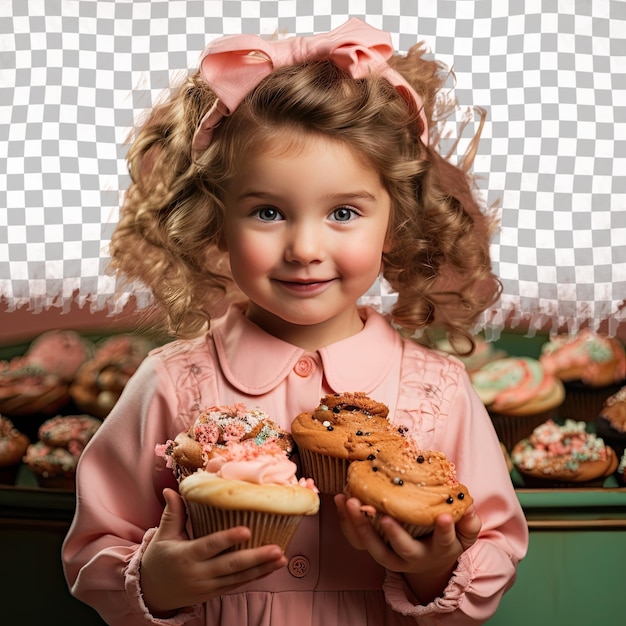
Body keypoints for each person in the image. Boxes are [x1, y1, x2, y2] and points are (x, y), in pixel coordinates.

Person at [62, 17, 528, 626]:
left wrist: (432, 566)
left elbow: (495, 546)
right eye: (268, 212)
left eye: (342, 211)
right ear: (216, 221)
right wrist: (156, 579)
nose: (305, 247)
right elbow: (93, 547)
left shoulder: (439, 393)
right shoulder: (173, 384)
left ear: (396, 220)